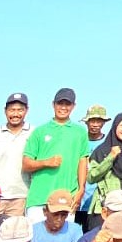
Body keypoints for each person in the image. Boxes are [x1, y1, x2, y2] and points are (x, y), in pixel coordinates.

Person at [21, 88, 90, 223]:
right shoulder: (40, 131)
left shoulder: (80, 132)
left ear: (73, 106)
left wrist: (81, 189)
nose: (63, 108)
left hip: (67, 199)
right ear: (53, 104)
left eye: (67, 104)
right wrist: (46, 162)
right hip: (40, 199)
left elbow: (83, 161)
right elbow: (26, 164)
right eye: (60, 103)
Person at [0, 92, 34, 218]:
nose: (15, 114)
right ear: (5, 111)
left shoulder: (34, 133)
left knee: (15, 235)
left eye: (20, 110)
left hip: (21, 196)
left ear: (27, 110)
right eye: (12, 110)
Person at [86, 112, 122, 220]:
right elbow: (91, 177)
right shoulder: (102, 150)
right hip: (103, 209)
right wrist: (110, 157)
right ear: (115, 127)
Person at [78, 104, 113, 228]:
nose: (95, 124)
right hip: (77, 199)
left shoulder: (108, 144)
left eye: (99, 121)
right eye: (92, 120)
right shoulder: (79, 141)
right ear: (87, 122)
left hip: (97, 203)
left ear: (104, 122)